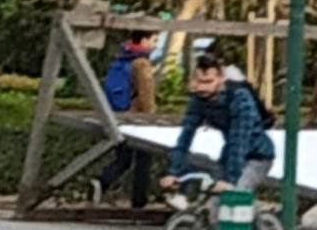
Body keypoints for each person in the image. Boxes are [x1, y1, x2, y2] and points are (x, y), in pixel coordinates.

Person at [161, 53, 276, 196]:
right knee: (210, 197)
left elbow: (239, 141)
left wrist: (230, 180)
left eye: (208, 82)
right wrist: (174, 172)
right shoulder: (198, 100)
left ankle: (252, 216)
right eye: (199, 81)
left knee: (235, 195)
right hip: (229, 155)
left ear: (221, 79)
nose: (202, 88)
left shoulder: (240, 99)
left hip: (257, 156)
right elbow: (185, 136)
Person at [91, 31, 157, 208]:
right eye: (154, 40)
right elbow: (146, 96)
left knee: (123, 159)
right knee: (144, 159)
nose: (155, 45)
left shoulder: (121, 59)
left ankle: (102, 181)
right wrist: (151, 118)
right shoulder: (142, 63)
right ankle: (139, 199)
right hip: (138, 119)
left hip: (120, 115)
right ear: (144, 40)